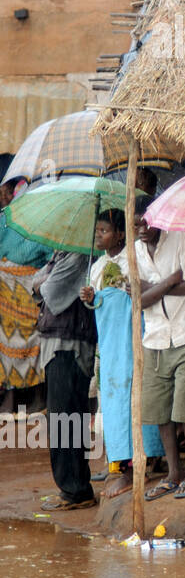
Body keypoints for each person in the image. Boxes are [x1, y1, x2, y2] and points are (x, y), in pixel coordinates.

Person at [78, 209, 164, 500]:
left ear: (119, 233)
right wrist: (91, 298)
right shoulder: (97, 267)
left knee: (136, 396)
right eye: (97, 231)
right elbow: (97, 307)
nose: (99, 236)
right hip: (110, 344)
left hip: (133, 340)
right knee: (114, 402)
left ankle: (143, 460)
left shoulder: (133, 257)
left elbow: (143, 291)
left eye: (104, 231)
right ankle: (120, 460)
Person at [135, 197, 185, 500]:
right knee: (160, 408)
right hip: (154, 337)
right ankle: (173, 473)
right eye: (135, 223)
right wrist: (169, 282)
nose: (140, 229)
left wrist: (152, 288)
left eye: (144, 222)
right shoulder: (135, 250)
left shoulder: (180, 237)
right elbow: (138, 299)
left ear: (156, 220)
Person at [34, 249, 97, 510]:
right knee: (64, 416)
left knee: (65, 417)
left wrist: (43, 281)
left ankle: (76, 490)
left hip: (69, 346)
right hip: (59, 343)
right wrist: (44, 280)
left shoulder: (80, 256)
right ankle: (74, 487)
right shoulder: (61, 254)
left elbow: (48, 292)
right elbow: (34, 284)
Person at [0, 177, 53, 416]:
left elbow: (50, 256)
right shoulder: (4, 219)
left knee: (35, 342)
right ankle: (11, 399)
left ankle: (39, 397)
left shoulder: (43, 222)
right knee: (6, 344)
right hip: (6, 291)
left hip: (30, 290)